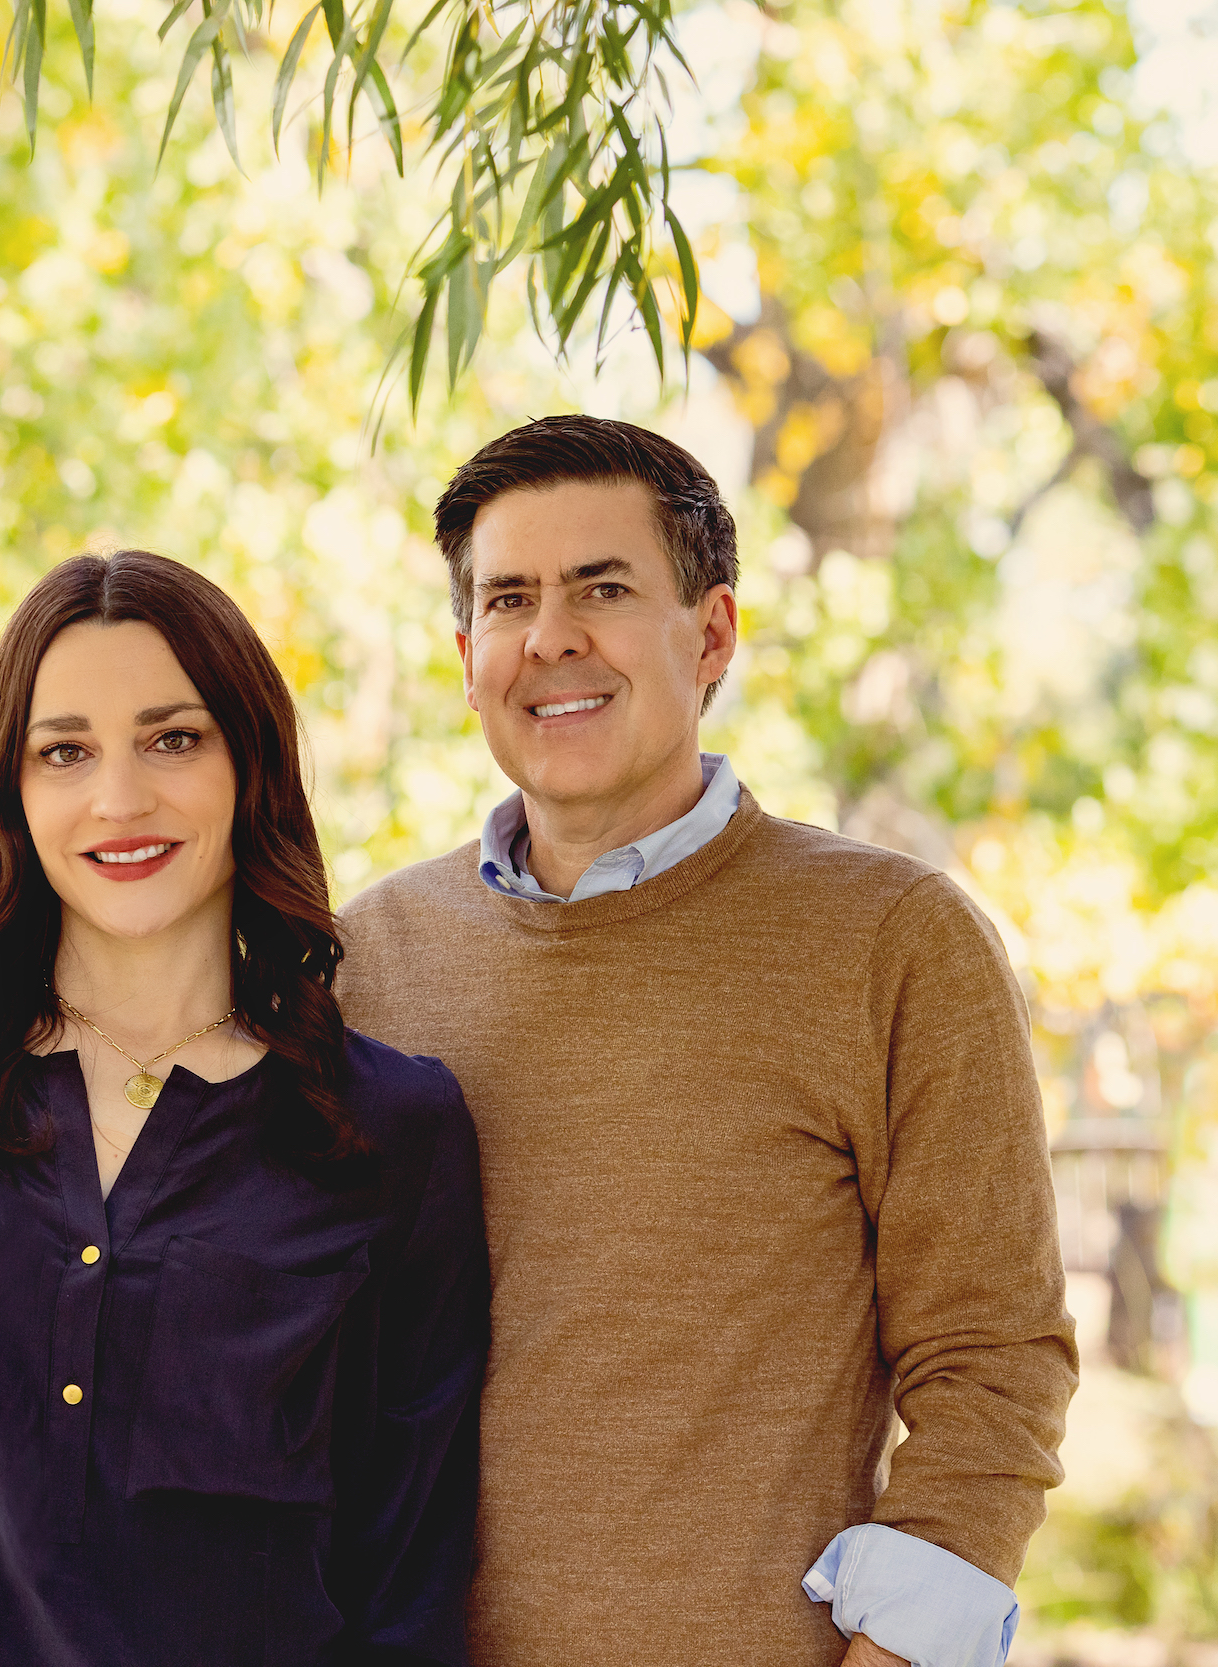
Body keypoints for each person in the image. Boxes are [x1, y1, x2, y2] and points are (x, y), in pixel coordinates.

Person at [334, 416, 1077, 1667]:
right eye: (509, 599)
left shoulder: (890, 940)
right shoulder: (367, 959)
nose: (550, 636)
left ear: (714, 632)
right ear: (467, 656)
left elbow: (992, 1362)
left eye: (603, 589)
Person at [0, 550, 488, 1667]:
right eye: (65, 750)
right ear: (12, 789)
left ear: (251, 762)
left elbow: (409, 1584)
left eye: (172, 737)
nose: (119, 797)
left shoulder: (392, 1127)